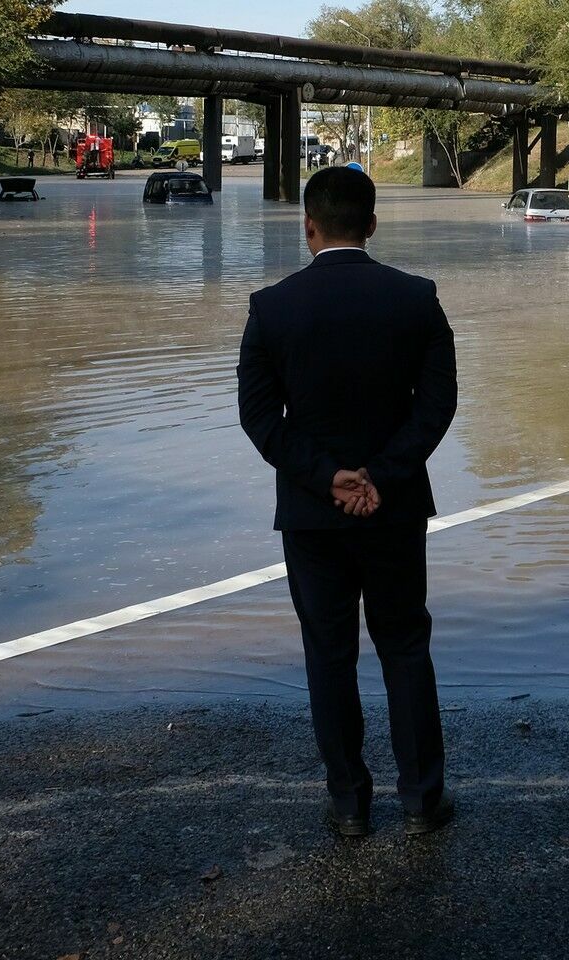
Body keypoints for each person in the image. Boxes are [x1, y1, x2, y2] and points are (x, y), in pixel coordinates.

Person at [237, 166, 458, 839]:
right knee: (405, 646)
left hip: (311, 515)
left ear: (308, 227)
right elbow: (438, 407)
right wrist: (380, 476)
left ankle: (349, 805)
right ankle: (421, 801)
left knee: (328, 654)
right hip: (392, 510)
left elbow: (260, 418)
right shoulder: (417, 299)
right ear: (371, 223)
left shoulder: (270, 308)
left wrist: (327, 477)